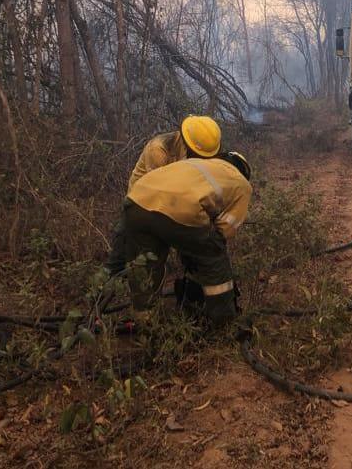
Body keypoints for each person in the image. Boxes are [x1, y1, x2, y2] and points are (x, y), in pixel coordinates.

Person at [120, 151, 252, 327]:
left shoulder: (195, 163)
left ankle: (145, 320)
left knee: (145, 265)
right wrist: (201, 248)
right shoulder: (241, 183)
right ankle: (223, 320)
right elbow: (226, 228)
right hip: (177, 209)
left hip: (136, 202)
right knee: (214, 256)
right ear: (243, 171)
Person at [105, 115, 222, 275]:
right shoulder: (159, 149)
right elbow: (160, 193)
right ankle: (101, 291)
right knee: (122, 253)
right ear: (188, 143)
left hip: (172, 203)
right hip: (141, 204)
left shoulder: (196, 150)